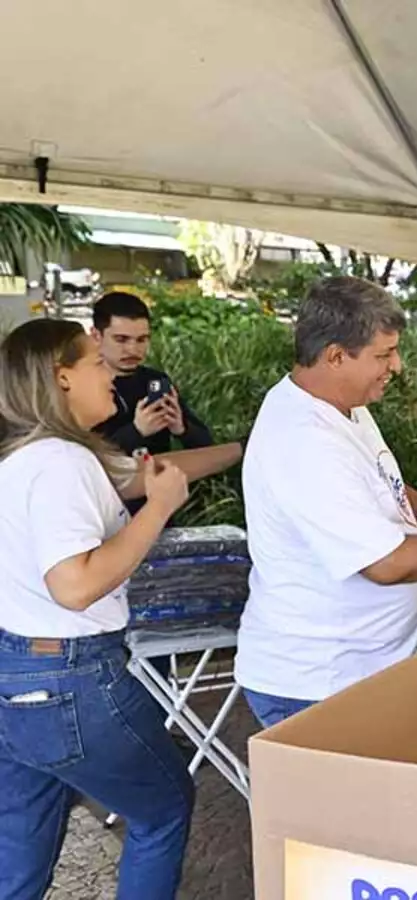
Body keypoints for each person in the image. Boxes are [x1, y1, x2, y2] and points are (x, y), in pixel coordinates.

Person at [0, 319, 242, 899]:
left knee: (24, 836)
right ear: (62, 378)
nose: (112, 371)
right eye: (96, 363)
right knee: (162, 808)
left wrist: (245, 448)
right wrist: (156, 511)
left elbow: (146, 475)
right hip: (72, 675)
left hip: (18, 673)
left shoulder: (26, 458)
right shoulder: (62, 463)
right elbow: (75, 586)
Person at [235, 277, 417, 728]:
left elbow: (393, 490)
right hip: (317, 684)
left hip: (358, 672)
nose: (396, 366)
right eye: (383, 355)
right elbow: (385, 564)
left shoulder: (344, 404)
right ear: (335, 356)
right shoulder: (305, 441)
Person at [92, 291, 214, 459]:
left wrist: (181, 428)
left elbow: (207, 447)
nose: (133, 350)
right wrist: (136, 432)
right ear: (96, 336)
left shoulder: (154, 381)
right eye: (121, 339)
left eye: (142, 340)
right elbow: (83, 459)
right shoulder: (82, 386)